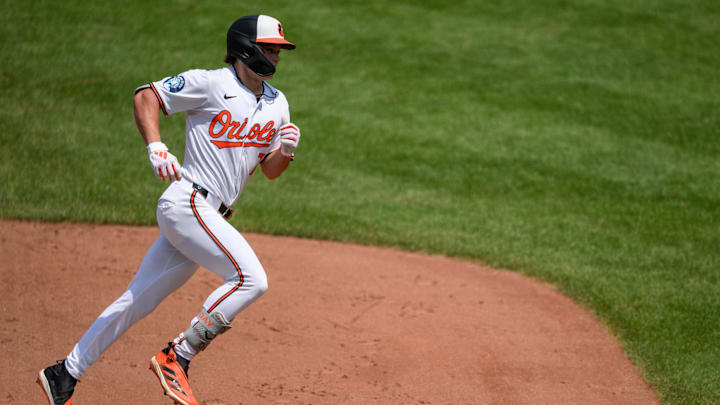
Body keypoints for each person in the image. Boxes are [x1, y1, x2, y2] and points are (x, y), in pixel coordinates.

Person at [36, 14, 300, 405]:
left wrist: (286, 152)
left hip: (208, 216)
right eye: (270, 49)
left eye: (279, 51)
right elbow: (147, 95)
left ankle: (64, 373)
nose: (276, 58)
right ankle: (178, 355)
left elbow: (270, 171)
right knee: (251, 278)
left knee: (136, 300)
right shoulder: (212, 83)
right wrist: (155, 146)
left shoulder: (278, 105)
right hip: (188, 203)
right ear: (247, 48)